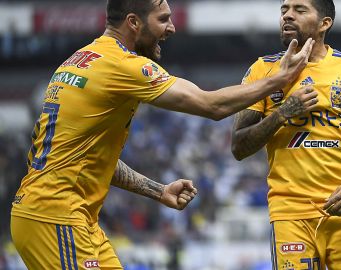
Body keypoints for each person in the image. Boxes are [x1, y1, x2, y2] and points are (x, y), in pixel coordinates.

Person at [10, 0, 316, 268]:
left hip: (68, 217)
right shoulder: (122, 65)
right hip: (55, 215)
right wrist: (279, 79)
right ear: (133, 22)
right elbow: (211, 105)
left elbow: (91, 159)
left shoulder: (80, 60)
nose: (170, 28)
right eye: (163, 19)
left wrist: (158, 190)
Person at [231, 0, 341, 269]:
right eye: (284, 9)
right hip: (290, 216)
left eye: (299, 10)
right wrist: (281, 114)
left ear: (325, 23)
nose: (288, 15)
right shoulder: (263, 70)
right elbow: (238, 147)